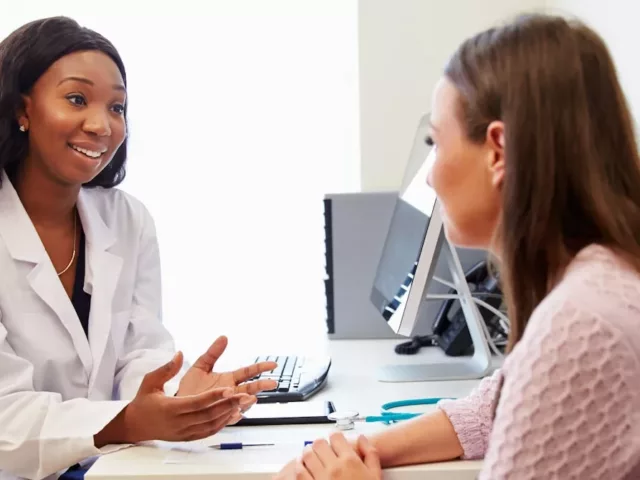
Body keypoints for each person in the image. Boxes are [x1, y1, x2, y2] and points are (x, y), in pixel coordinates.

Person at [276, 13, 640, 480]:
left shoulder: (580, 325)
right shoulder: (605, 276)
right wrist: (357, 449)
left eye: (436, 142)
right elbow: (497, 407)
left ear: (498, 151)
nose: (428, 175)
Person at [0, 16, 279, 480]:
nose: (101, 124)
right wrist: (126, 420)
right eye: (76, 99)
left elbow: (140, 351)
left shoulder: (126, 219)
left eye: (117, 107)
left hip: (100, 467)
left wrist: (179, 396)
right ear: (21, 110)